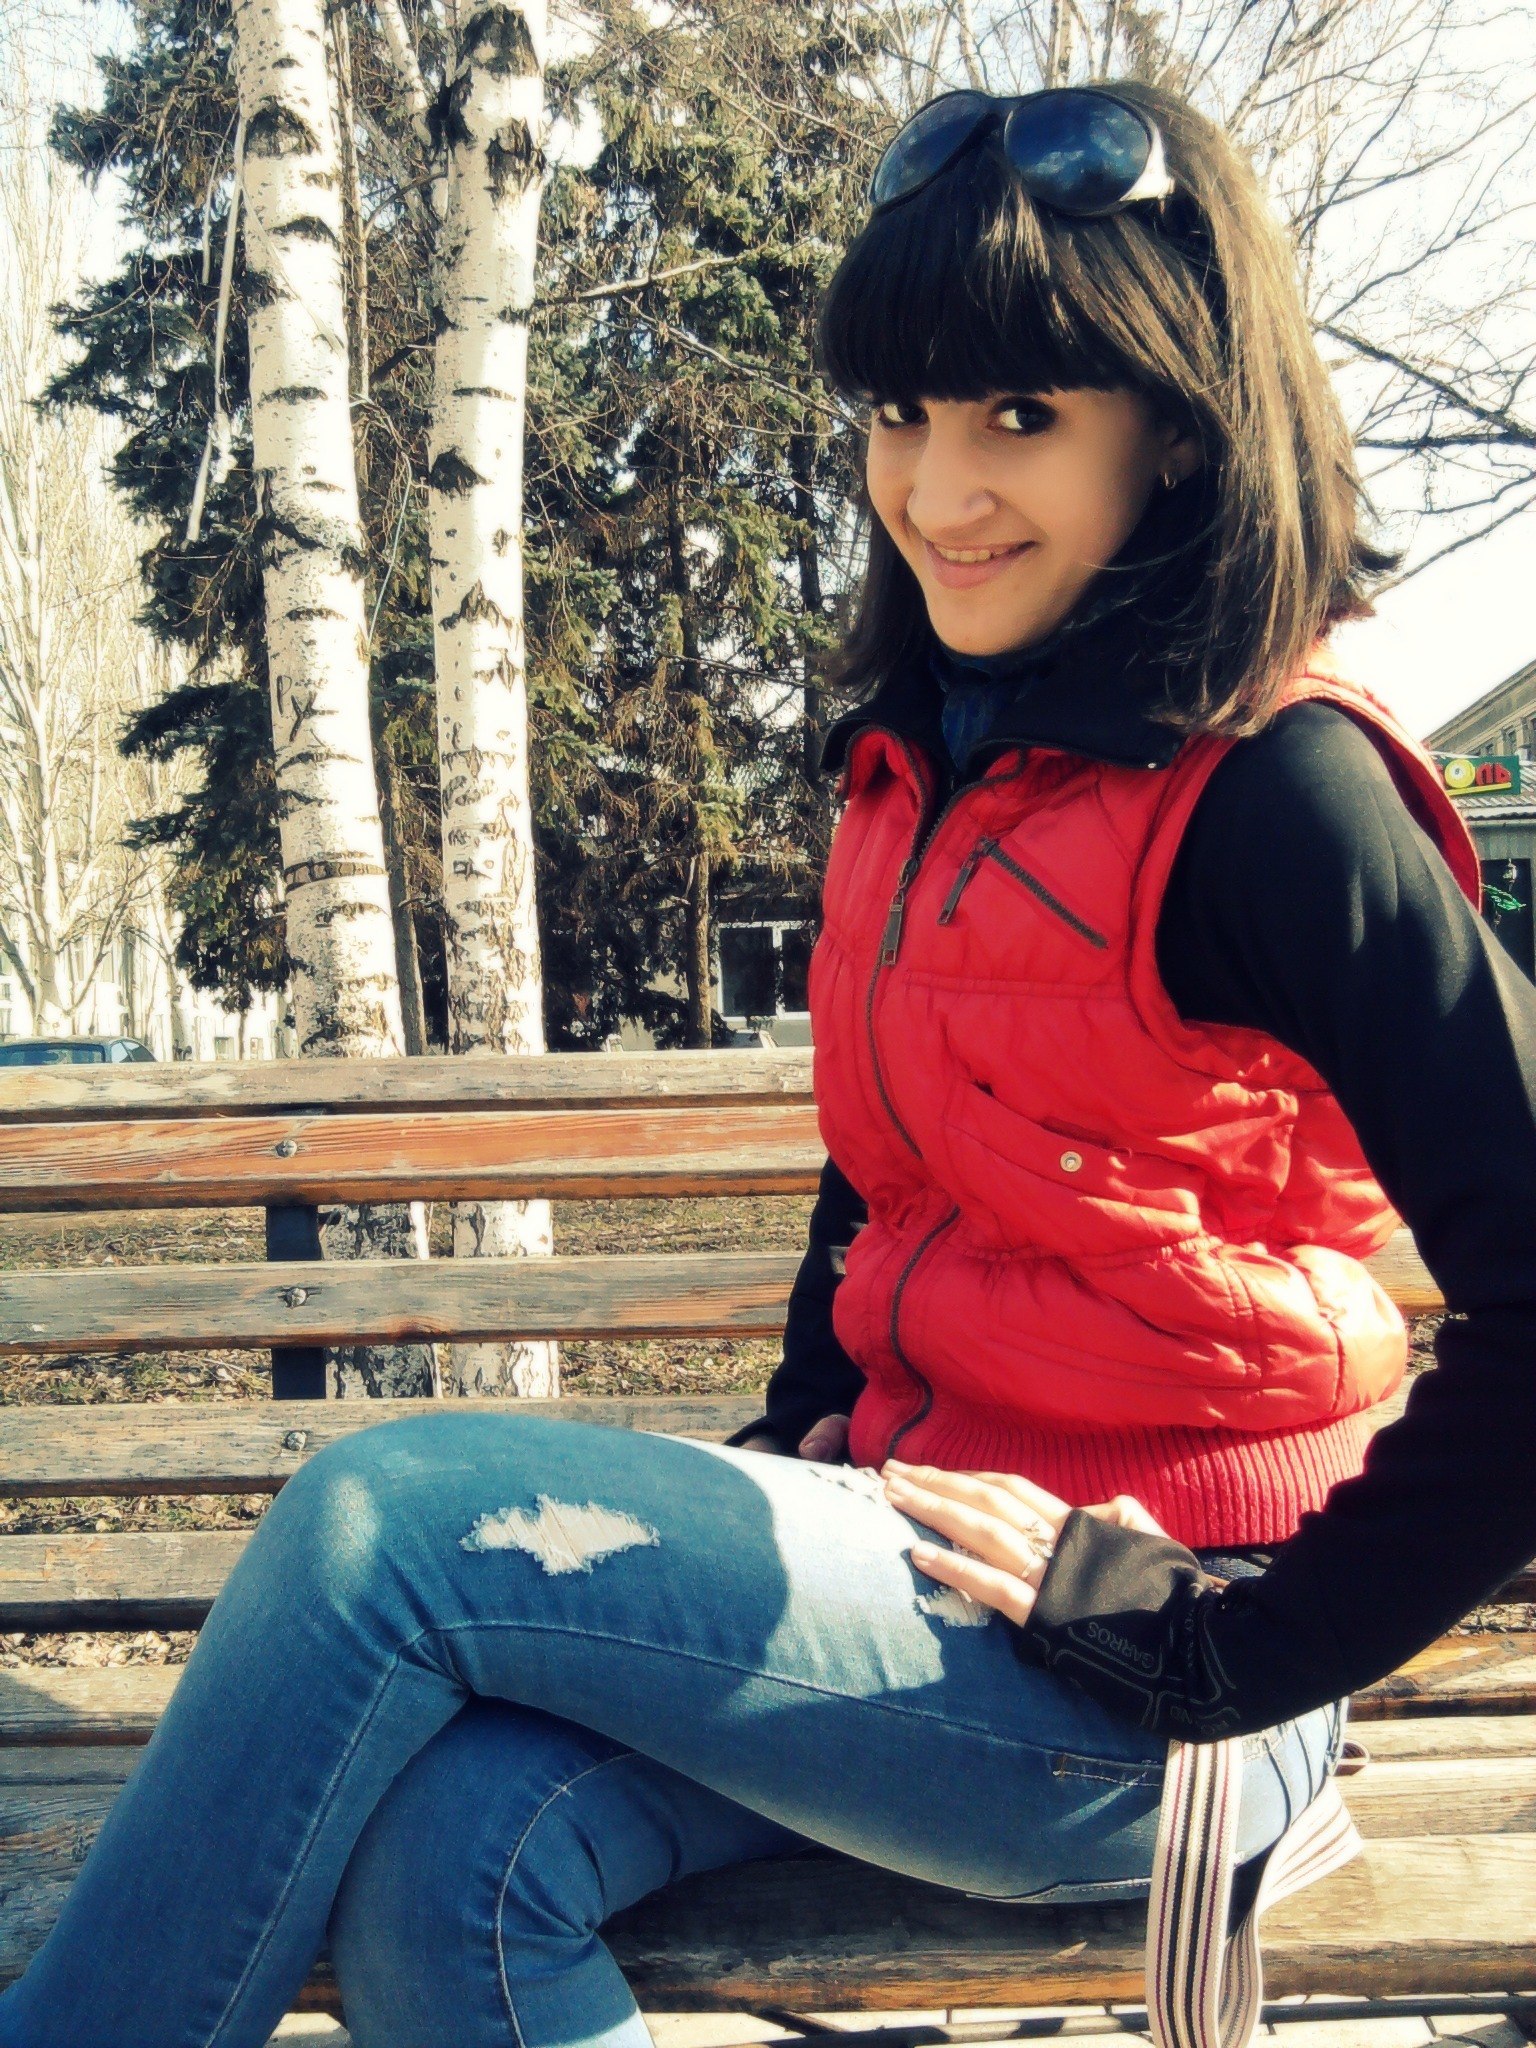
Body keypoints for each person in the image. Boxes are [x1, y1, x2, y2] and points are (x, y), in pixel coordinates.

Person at [0, 78, 1523, 2048]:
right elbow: (897, 1166)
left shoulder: (1280, 796)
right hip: (926, 1578)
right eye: (899, 412)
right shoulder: (929, 762)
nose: (939, 491)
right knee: (454, 1862)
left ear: (1178, 419)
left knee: (380, 1527)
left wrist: (1227, 1643)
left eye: (1021, 416)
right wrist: (808, 1425)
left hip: (1159, 1669)